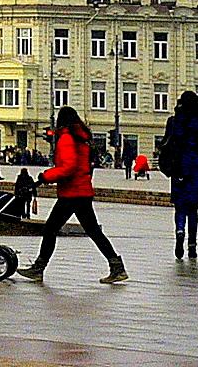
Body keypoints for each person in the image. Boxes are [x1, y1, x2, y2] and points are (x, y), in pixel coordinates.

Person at [18, 107, 126, 284]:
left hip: (72, 193)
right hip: (81, 191)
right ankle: (117, 266)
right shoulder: (81, 138)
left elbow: (68, 167)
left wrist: (46, 176)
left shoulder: (67, 138)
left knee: (51, 228)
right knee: (93, 231)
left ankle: (38, 268)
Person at [159, 90, 198, 260]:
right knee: (193, 208)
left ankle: (179, 231)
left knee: (179, 206)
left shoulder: (173, 121)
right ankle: (192, 243)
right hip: (196, 168)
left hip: (178, 167)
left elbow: (165, 143)